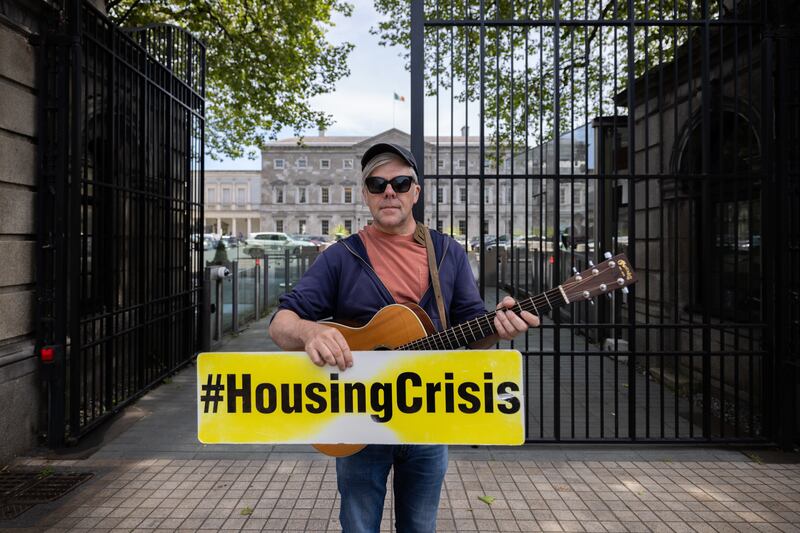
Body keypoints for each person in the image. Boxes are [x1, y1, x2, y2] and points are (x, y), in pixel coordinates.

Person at [268, 142, 539, 533]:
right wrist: (311, 330)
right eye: (377, 184)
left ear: (416, 191)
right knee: (358, 528)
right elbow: (281, 323)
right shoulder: (342, 255)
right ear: (366, 195)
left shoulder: (448, 252)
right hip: (358, 418)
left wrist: (497, 327)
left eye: (400, 182)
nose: (389, 191)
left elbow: (472, 331)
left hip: (428, 415)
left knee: (420, 526)